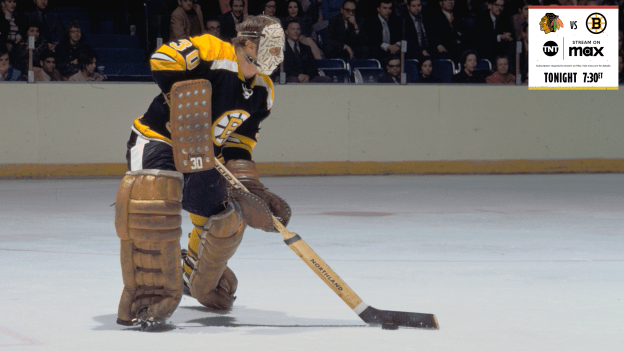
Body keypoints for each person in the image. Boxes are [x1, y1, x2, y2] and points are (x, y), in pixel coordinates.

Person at [114, 15, 291, 327]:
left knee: (228, 217)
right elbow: (163, 59)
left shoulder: (264, 89)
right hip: (158, 140)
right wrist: (176, 92)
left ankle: (194, 276)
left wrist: (250, 186)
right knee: (154, 200)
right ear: (248, 44)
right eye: (272, 48)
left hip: (203, 155)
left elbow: (239, 140)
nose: (278, 56)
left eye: (280, 49)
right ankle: (149, 290)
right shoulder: (213, 51)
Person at [472, 0, 514, 67]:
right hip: (484, 51)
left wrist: (507, 37)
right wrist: (500, 37)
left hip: (499, 52)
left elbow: (510, 34)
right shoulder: (481, 17)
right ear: (490, 5)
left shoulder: (505, 17)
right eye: (497, 5)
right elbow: (481, 38)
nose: (500, 8)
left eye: (502, 6)